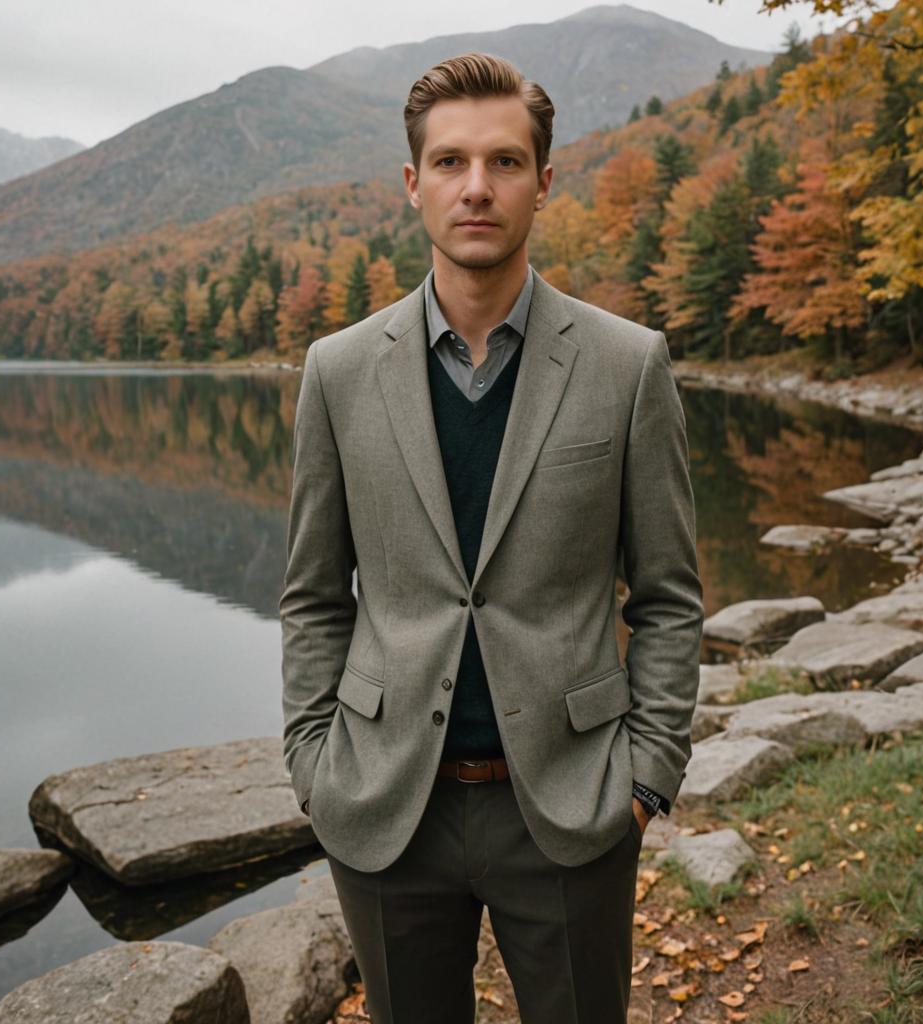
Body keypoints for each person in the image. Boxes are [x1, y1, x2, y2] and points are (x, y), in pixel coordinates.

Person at [280, 51, 703, 1024]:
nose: (477, 186)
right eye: (451, 162)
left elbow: (671, 596)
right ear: (412, 182)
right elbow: (311, 592)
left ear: (544, 181)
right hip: (386, 809)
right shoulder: (338, 372)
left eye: (505, 161)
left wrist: (645, 777)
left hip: (569, 805)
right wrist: (314, 765)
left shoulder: (626, 366)